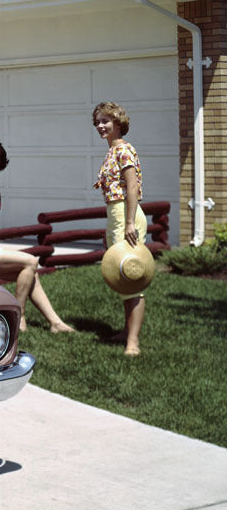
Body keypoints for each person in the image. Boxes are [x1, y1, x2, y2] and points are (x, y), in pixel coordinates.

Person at [0, 141, 74, 333]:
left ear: (0, 168)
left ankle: (55, 323)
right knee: (30, 261)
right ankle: (18, 317)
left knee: (29, 272)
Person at [92, 101, 146, 356]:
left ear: (117, 122)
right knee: (123, 278)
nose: (101, 126)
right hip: (116, 214)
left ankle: (133, 342)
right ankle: (127, 331)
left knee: (133, 276)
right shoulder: (112, 150)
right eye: (98, 122)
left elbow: (132, 187)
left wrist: (129, 222)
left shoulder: (124, 150)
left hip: (127, 214)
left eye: (105, 121)